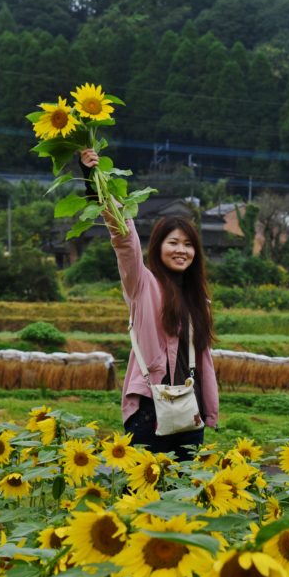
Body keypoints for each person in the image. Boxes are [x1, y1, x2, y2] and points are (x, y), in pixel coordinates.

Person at [80, 149, 219, 461]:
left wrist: (210, 412)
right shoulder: (143, 285)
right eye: (173, 242)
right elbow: (124, 239)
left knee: (183, 501)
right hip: (149, 412)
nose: (181, 250)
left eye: (188, 244)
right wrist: (95, 182)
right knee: (142, 499)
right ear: (158, 247)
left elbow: (204, 361)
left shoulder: (199, 300)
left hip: (189, 415)